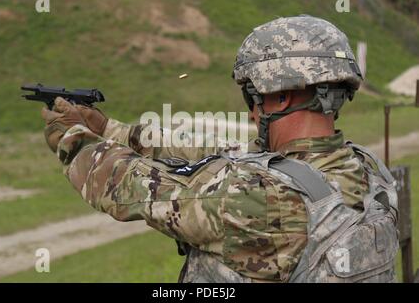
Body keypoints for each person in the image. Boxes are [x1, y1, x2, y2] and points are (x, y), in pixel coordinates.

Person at [41, 15, 399, 282]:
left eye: (252, 97)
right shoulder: (366, 170)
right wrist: (109, 129)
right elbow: (218, 155)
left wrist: (72, 136)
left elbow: (127, 185)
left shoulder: (257, 199)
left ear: (282, 95)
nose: (250, 111)